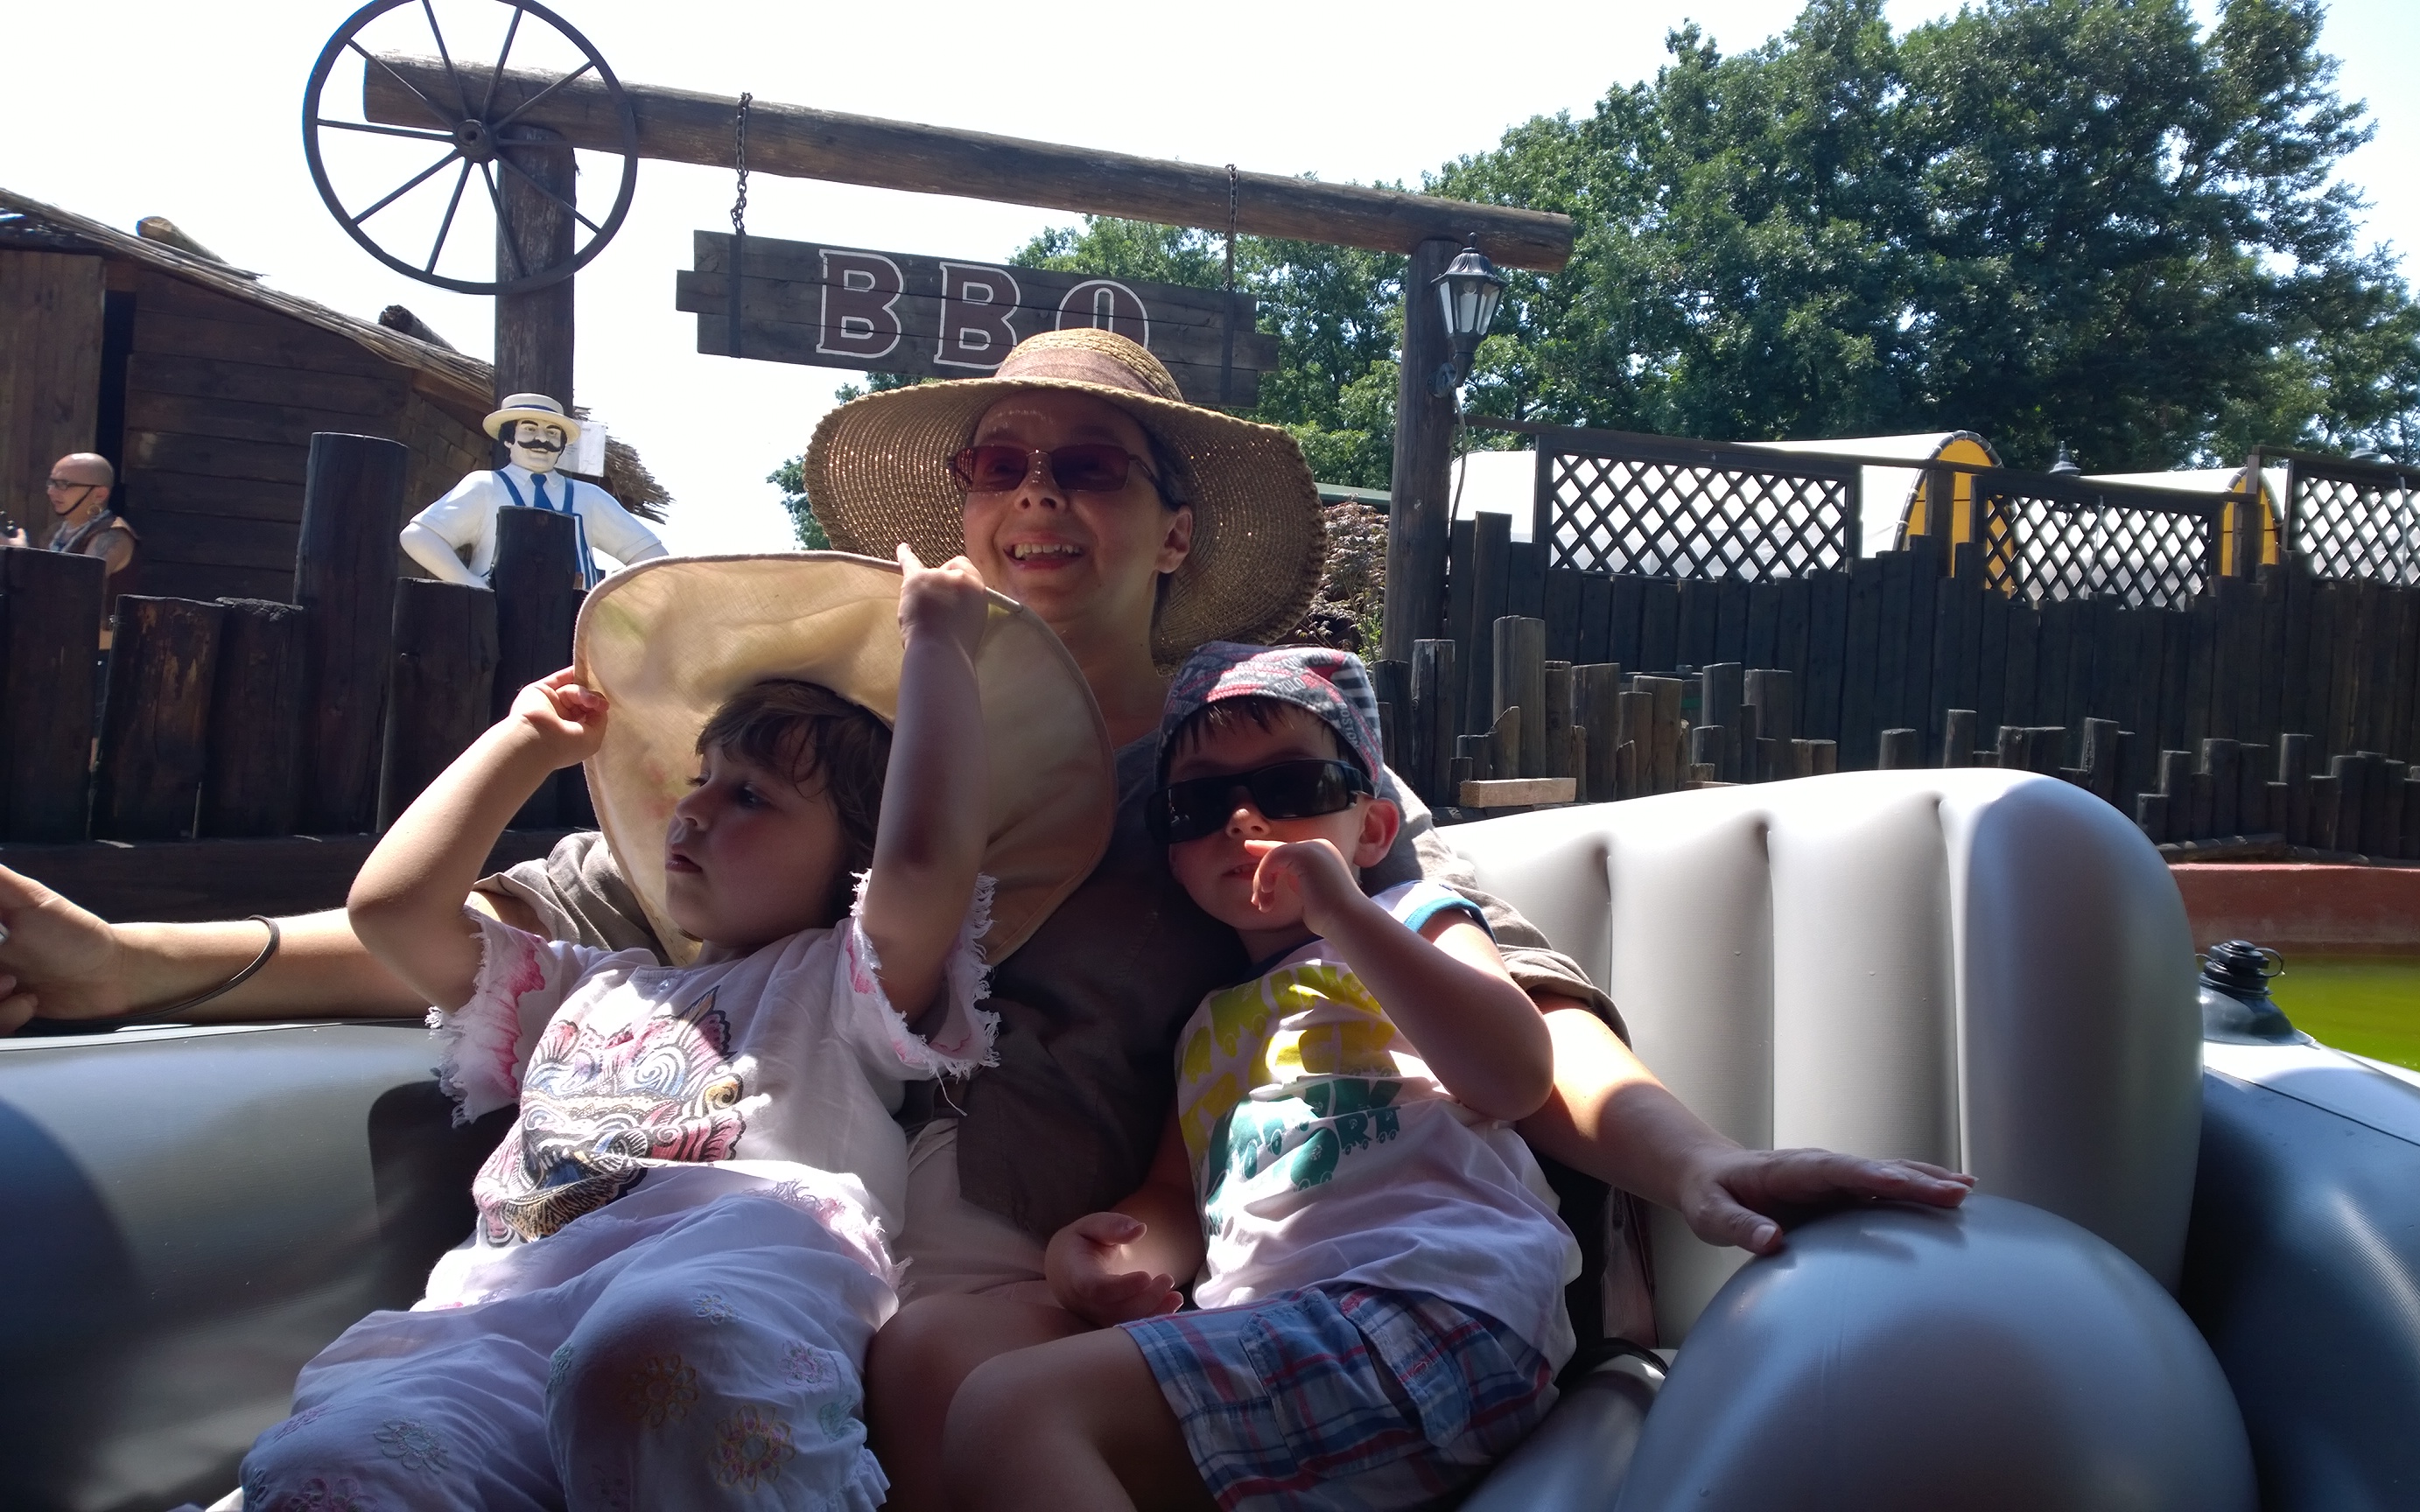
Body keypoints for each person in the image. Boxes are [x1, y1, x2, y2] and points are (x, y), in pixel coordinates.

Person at [0, 330, 1971, 1502]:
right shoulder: (848, 746)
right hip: (728, 1241)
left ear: (1172, 528)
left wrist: (1690, 1160)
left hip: (1001, 1277)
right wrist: (133, 962)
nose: (1038, 497)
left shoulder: (1231, 774)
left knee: (935, 1364)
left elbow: (1478, 976)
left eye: (1089, 468)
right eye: (1000, 463)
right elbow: (544, 943)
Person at [238, 546, 1112, 1508]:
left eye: (750, 796)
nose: (692, 808)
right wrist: (520, 743)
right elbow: (393, 913)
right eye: (701, 777)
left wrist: (938, 646)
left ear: (854, 859)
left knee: (651, 1360)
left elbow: (922, 868)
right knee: (327, 1464)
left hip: (731, 1270)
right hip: (504, 1305)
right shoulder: (586, 983)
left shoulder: (839, 981)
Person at [946, 641, 1580, 1511]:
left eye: (1293, 788)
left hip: (1434, 1297)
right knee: (977, 1392)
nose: (1244, 819)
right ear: (1172, 851)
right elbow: (1176, 1198)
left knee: (1010, 1412)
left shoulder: (1410, 918)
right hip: (1281, 1329)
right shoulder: (1205, 1025)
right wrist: (1101, 1256)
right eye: (1200, 803)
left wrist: (1345, 913)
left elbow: (1514, 1074)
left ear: (1375, 830)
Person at [400, 393, 667, 589]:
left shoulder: (589, 497)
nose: (542, 439)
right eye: (529, 429)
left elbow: (653, 556)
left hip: (573, 628)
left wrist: (608, 598)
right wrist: (471, 585)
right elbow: (418, 536)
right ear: (508, 438)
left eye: (552, 433)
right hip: (495, 628)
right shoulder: (485, 487)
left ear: (562, 444)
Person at [5, 452, 137, 608]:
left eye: (63, 484)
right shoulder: (53, 533)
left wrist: (20, 553)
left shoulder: (113, 533)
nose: (51, 491)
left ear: (99, 495)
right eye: (51, 482)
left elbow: (78, 588)